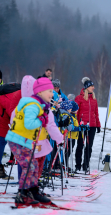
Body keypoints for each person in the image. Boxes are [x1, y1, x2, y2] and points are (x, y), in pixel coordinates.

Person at [5, 77, 62, 207]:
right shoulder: (32, 105)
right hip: (19, 141)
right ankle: (23, 194)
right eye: (49, 91)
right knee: (29, 166)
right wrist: (42, 120)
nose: (52, 94)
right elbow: (30, 124)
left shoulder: (40, 105)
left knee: (34, 166)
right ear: (40, 92)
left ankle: (33, 190)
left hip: (28, 141)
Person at [75, 77, 101, 172]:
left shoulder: (94, 99)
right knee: (80, 146)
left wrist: (98, 125)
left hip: (92, 126)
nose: (93, 88)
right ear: (87, 87)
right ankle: (78, 165)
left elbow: (96, 113)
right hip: (82, 126)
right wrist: (76, 124)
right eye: (92, 86)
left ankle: (85, 165)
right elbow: (76, 112)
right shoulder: (79, 98)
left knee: (89, 146)